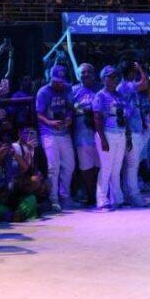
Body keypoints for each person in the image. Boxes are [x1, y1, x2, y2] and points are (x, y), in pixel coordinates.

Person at [35, 65, 75, 211]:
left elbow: (71, 108)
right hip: (48, 132)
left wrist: (69, 118)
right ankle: (53, 199)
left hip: (64, 132)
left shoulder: (67, 89)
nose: (59, 84)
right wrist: (50, 122)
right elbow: (38, 114)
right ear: (50, 78)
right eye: (56, 81)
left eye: (61, 81)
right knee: (53, 167)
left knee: (70, 165)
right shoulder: (43, 92)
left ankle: (65, 196)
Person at [91, 65, 130, 211]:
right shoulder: (100, 96)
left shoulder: (120, 95)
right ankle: (102, 200)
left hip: (120, 133)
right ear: (104, 79)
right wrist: (103, 139)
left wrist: (128, 135)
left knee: (117, 167)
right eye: (111, 77)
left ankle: (118, 198)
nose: (115, 79)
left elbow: (125, 117)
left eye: (116, 77)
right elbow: (97, 118)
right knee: (106, 167)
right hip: (106, 133)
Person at [118, 62, 150, 208]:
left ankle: (127, 194)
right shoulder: (125, 86)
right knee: (132, 165)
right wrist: (140, 67)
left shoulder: (127, 86)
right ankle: (134, 195)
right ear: (130, 72)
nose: (136, 75)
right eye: (134, 72)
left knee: (128, 165)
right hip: (130, 132)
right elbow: (145, 83)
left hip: (132, 130)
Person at [70, 63, 101, 207]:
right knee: (85, 167)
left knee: (100, 166)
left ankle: (101, 194)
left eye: (89, 72)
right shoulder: (73, 91)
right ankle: (91, 196)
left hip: (101, 134)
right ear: (78, 75)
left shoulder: (100, 88)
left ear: (94, 74)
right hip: (81, 135)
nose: (86, 74)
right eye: (83, 72)